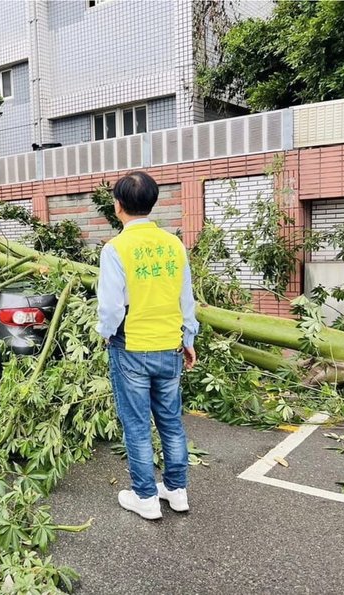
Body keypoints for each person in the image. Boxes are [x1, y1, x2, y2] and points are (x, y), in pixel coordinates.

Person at [96, 171, 199, 520]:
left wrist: (105, 332)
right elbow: (187, 298)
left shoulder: (116, 249)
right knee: (171, 422)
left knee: (138, 425)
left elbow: (111, 307)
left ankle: (145, 497)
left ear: (118, 206)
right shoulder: (174, 245)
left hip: (132, 347)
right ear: (152, 203)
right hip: (170, 345)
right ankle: (177, 490)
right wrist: (188, 338)